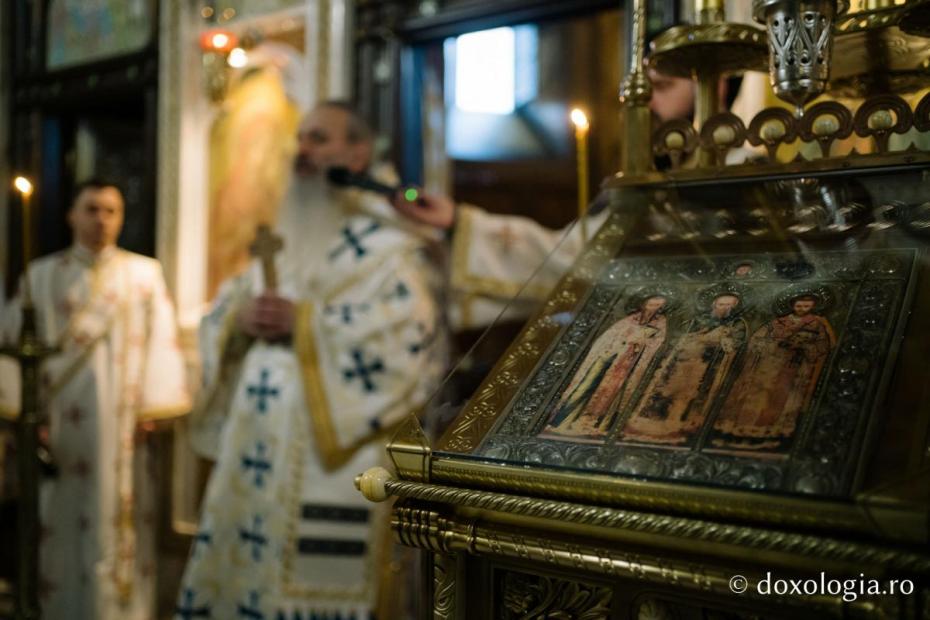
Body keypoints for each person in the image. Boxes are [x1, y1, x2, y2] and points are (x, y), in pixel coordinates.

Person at [177, 101, 444, 619]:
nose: (302, 150)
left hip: (331, 459)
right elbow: (228, 307)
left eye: (319, 139)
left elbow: (409, 336)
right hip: (257, 452)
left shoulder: (390, 246)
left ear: (358, 153)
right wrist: (238, 321)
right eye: (301, 138)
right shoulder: (290, 230)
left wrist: (305, 323)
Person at [0, 179, 191, 619]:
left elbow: (162, 341)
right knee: (60, 521)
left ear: (121, 218)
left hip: (124, 429)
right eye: (91, 209)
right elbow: (12, 346)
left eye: (111, 211)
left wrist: (152, 409)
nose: (101, 220)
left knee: (121, 522)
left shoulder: (144, 275)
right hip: (60, 429)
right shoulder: (41, 276)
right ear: (72, 215)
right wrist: (28, 417)